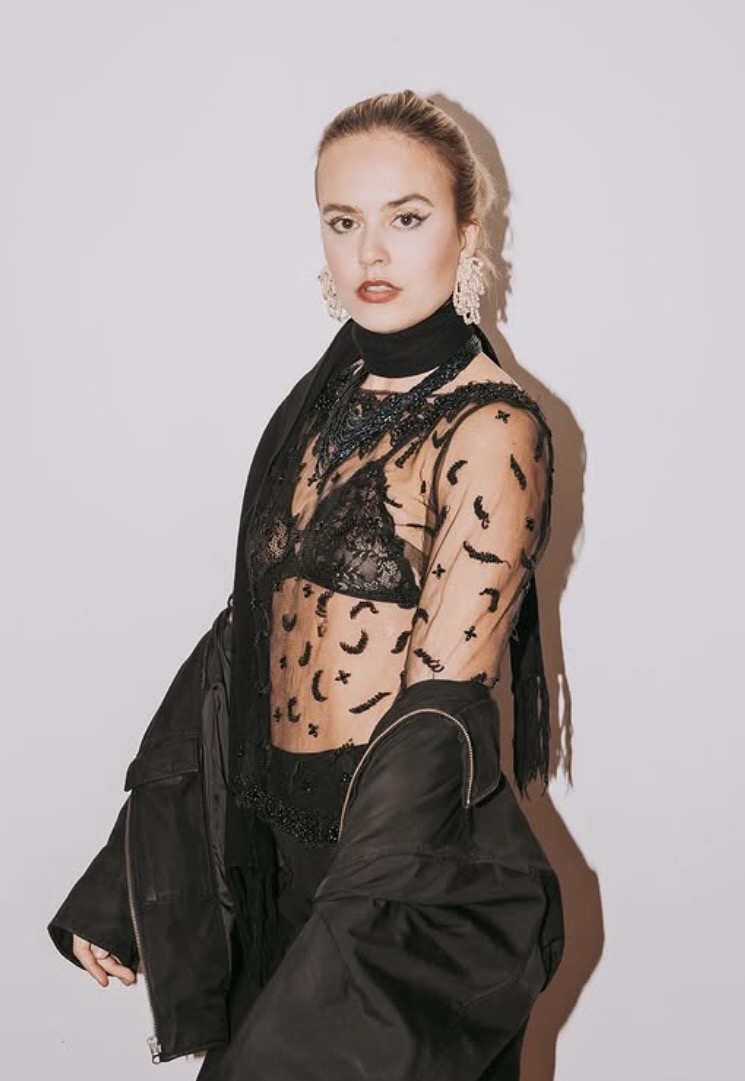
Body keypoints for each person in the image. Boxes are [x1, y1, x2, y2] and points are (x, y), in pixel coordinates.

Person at [49, 90, 564, 1080]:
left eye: (405, 218)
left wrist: (344, 955)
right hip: (274, 853)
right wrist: (124, 876)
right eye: (342, 220)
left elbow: (439, 717)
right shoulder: (322, 402)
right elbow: (243, 647)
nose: (370, 252)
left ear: (466, 231)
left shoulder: (490, 428)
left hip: (396, 883)